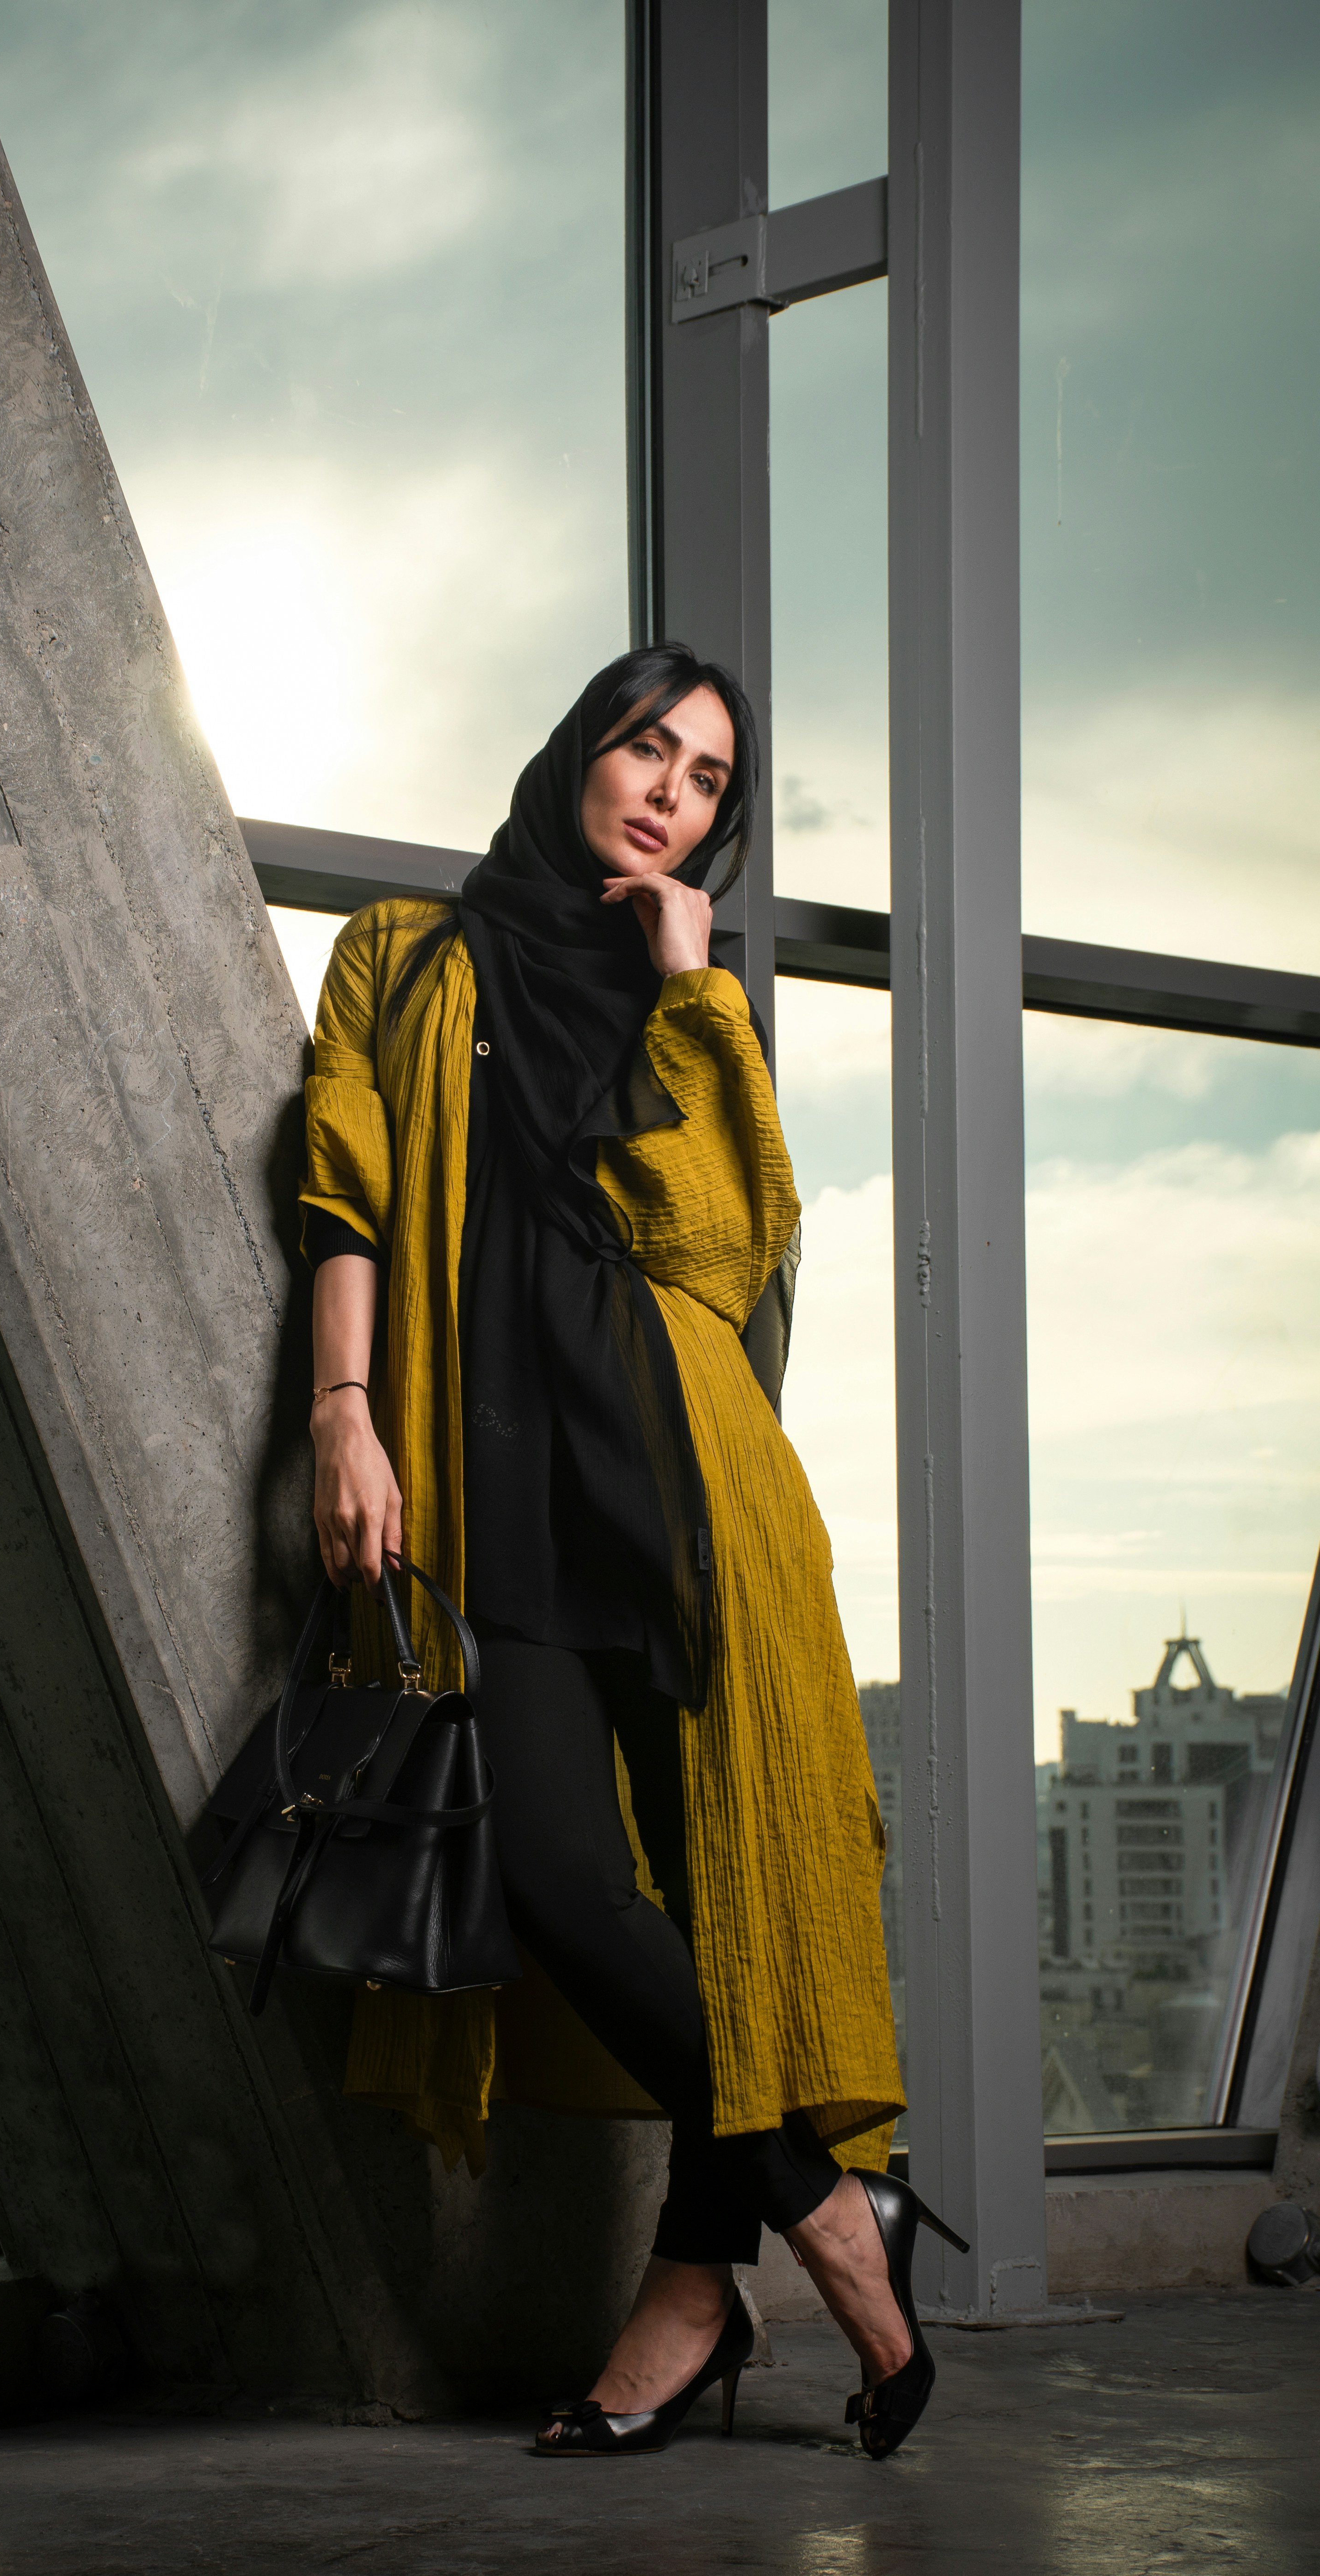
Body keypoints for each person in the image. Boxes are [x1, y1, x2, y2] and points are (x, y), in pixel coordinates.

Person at [297, 644, 962, 2459]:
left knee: (728, 1898)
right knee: (567, 1890)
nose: (668, 790)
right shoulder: (404, 953)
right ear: (580, 753)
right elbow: (346, 1189)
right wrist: (345, 1410)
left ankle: (689, 2307)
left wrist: (693, 1002)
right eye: (645, 748)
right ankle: (836, 2216)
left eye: (707, 781)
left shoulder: (686, 990)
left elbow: (721, 1252)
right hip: (485, 1479)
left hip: (677, 1488)